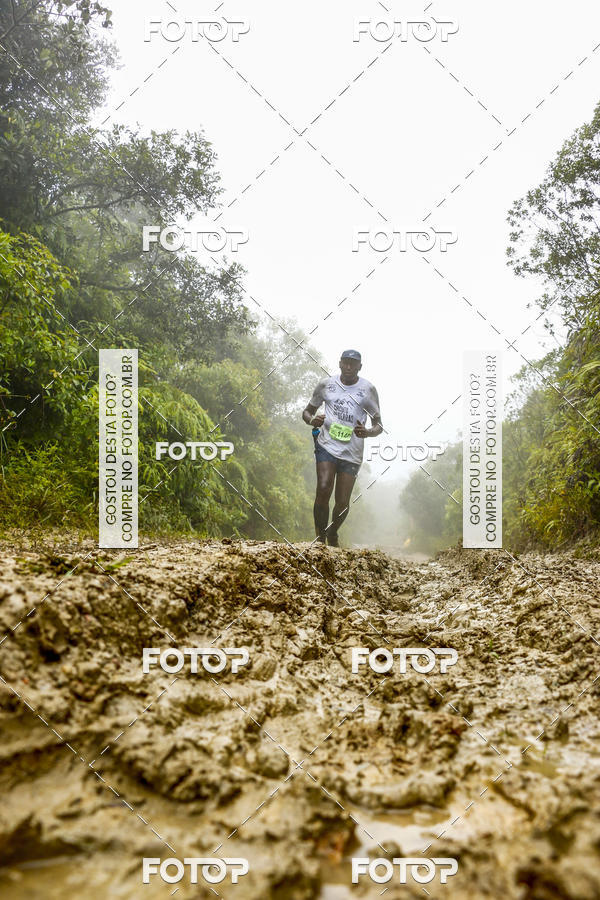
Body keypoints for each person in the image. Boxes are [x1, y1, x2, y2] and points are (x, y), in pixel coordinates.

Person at [302, 350, 383, 546]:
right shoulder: (326, 385)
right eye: (345, 363)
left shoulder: (368, 389)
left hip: (352, 452)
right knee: (323, 488)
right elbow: (307, 412)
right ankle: (320, 539)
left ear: (359, 367)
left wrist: (367, 432)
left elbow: (379, 425)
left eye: (353, 364)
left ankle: (332, 533)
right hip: (326, 445)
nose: (348, 367)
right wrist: (313, 420)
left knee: (342, 502)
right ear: (339, 364)